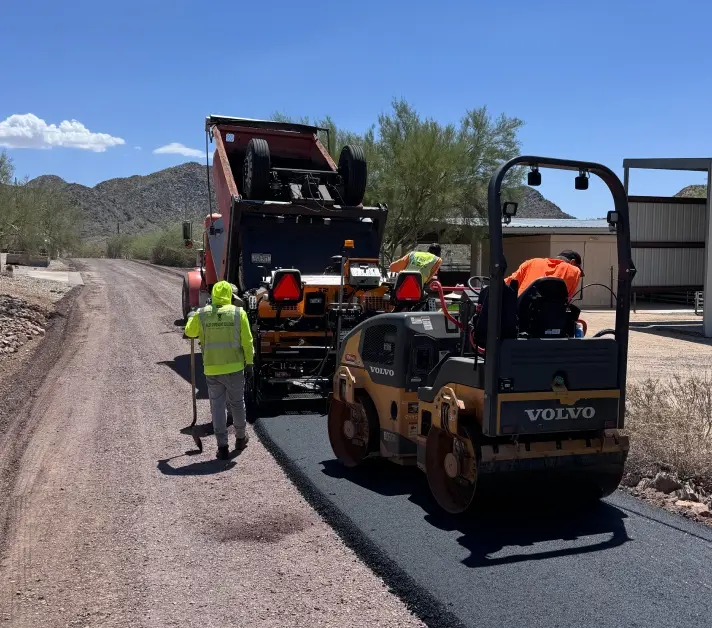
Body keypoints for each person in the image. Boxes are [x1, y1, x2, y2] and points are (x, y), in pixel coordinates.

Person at [184, 281, 254, 460]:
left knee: (217, 407)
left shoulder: (202, 314)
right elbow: (247, 342)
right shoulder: (239, 313)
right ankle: (240, 438)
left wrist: (192, 316)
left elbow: (190, 332)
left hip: (213, 369)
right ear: (231, 295)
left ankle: (222, 446)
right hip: (235, 368)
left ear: (212, 295)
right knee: (237, 403)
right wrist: (250, 363)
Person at [505, 250, 584, 300]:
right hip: (551, 317)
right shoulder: (574, 270)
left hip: (522, 313)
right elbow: (568, 298)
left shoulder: (531, 263)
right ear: (572, 262)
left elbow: (509, 282)